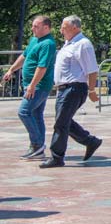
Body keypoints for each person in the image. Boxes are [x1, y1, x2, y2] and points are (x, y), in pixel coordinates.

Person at [40, 16, 103, 169]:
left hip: (74, 88)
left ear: (75, 28)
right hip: (64, 89)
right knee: (64, 121)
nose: (61, 30)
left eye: (64, 27)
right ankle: (90, 141)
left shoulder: (83, 44)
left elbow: (92, 69)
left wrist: (92, 89)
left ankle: (57, 157)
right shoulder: (68, 44)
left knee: (61, 123)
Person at [2, 15, 57, 160]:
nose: (32, 28)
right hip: (32, 85)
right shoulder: (34, 40)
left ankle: (37, 145)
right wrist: (11, 69)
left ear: (46, 28)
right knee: (36, 114)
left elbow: (42, 67)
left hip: (39, 86)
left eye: (36, 26)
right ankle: (37, 148)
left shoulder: (48, 44)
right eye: (32, 25)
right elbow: (24, 56)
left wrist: (32, 86)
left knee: (24, 112)